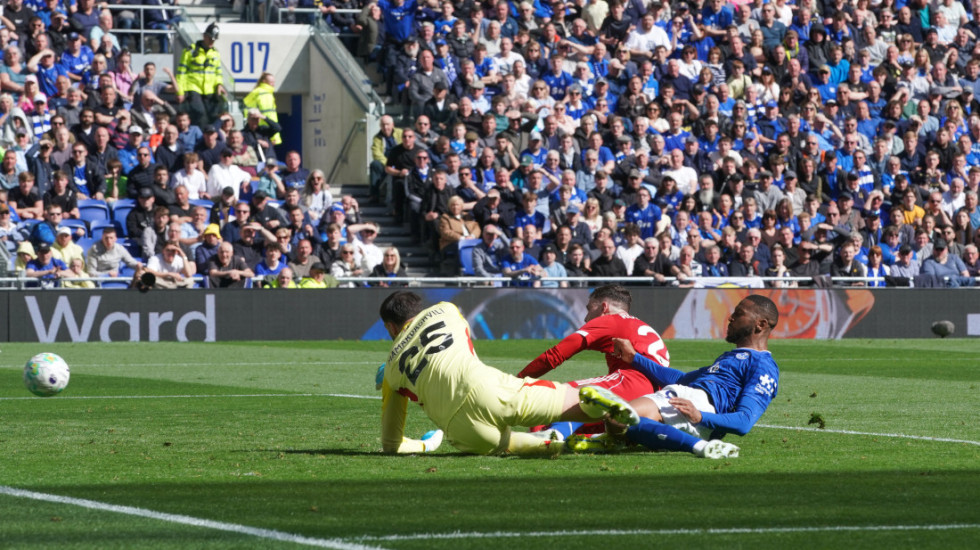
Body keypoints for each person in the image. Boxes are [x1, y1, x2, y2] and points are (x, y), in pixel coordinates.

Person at [377, 290, 641, 455]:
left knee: (504, 444)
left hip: (460, 430)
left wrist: (426, 445)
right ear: (419, 309)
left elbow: (391, 444)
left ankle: (547, 443)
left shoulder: (390, 370)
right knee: (560, 402)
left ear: (390, 327)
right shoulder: (445, 309)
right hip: (484, 386)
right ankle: (597, 407)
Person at [569, 295, 780, 460]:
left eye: (739, 313)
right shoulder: (730, 357)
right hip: (687, 397)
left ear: (760, 325)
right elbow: (681, 378)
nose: (731, 317)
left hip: (701, 408)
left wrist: (700, 416)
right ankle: (618, 439)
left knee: (616, 418)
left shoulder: (763, 365)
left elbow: (744, 421)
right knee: (616, 422)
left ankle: (698, 446)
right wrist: (634, 358)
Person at [519, 284, 671, 438]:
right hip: (653, 399)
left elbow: (556, 354)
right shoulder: (639, 325)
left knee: (551, 397)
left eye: (589, 308)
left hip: (631, 383)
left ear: (603, 307)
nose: (586, 317)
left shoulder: (610, 320)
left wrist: (518, 380)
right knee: (581, 426)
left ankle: (535, 443)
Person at [175, 23, 226, 127]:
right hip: (193, 88)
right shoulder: (190, 51)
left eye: (214, 40)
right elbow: (181, 73)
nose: (212, 42)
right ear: (204, 36)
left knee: (212, 114)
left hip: (209, 90)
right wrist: (180, 91)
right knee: (199, 112)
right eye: (210, 39)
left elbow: (218, 72)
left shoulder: (215, 53)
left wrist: (219, 84)